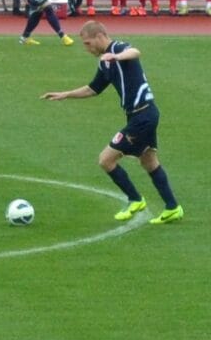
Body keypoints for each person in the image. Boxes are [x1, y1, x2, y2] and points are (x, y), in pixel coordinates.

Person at [41, 21, 183, 225]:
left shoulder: (118, 49)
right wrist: (66, 94)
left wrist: (117, 56)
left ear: (100, 36)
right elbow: (93, 89)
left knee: (106, 160)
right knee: (149, 162)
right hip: (140, 116)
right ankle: (172, 208)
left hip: (143, 116)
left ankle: (135, 200)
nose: (86, 48)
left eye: (88, 43)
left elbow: (135, 52)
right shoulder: (104, 62)